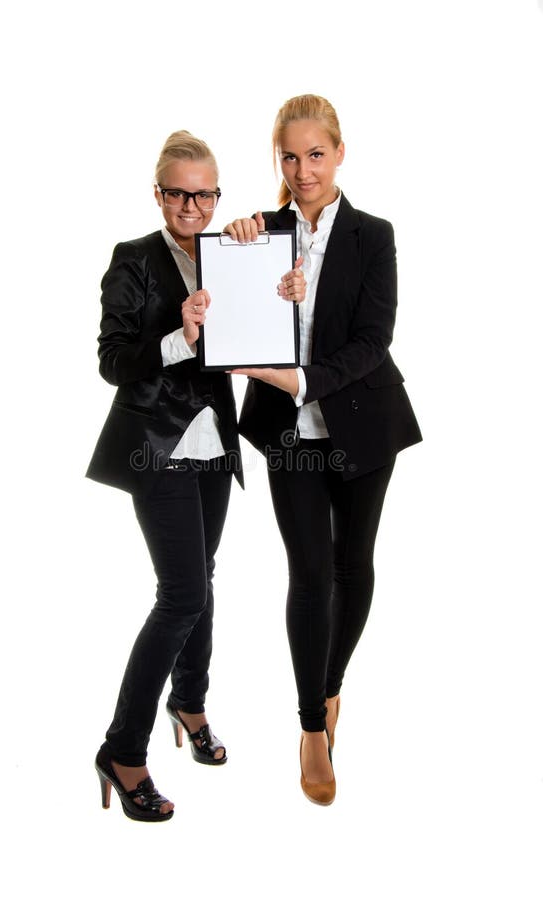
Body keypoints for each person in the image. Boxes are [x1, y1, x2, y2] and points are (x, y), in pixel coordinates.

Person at [86, 130, 304, 822]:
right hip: (157, 444)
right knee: (181, 594)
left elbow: (290, 236)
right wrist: (179, 334)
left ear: (216, 195)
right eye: (178, 193)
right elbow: (113, 362)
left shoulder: (230, 250)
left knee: (202, 579)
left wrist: (267, 252)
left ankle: (190, 703)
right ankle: (123, 751)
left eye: (204, 193)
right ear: (159, 195)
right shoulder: (133, 261)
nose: (191, 204)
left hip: (214, 443)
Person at [224, 94, 422, 806]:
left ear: (339, 153)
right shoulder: (259, 234)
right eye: (289, 156)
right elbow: (236, 319)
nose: (302, 169)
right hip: (288, 432)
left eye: (315, 153)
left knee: (352, 565)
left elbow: (374, 341)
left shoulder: (374, 235)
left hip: (364, 424)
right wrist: (237, 251)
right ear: (276, 160)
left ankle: (331, 687)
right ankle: (313, 727)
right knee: (308, 575)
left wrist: (307, 378)